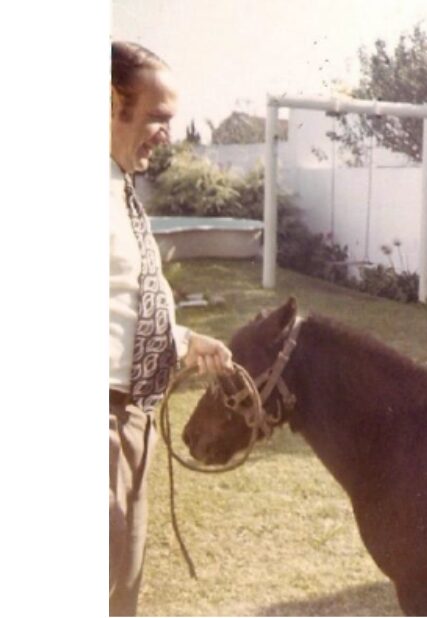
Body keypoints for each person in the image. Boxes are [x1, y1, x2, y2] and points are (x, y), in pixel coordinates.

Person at [110, 41, 233, 616]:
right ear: (112, 102)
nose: (167, 134)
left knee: (118, 587)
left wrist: (184, 342)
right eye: (158, 118)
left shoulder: (118, 191)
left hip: (130, 423)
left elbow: (122, 306)